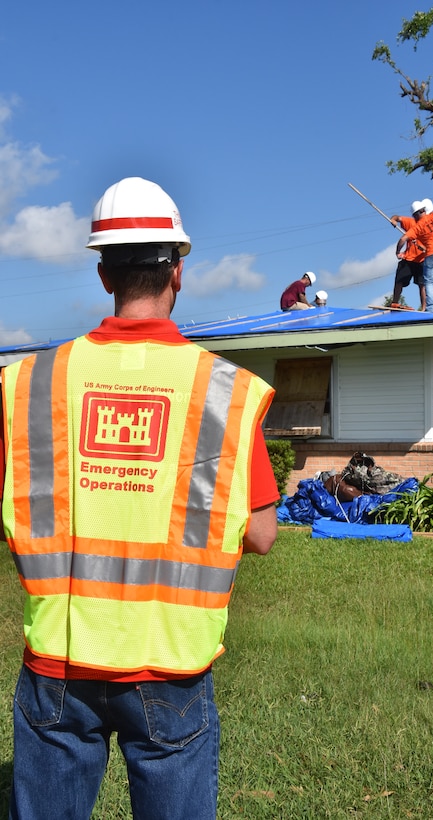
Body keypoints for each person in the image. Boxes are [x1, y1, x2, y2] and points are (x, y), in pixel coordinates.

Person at [2, 177, 279, 820]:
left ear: (104, 273)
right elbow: (262, 534)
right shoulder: (225, 393)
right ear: (178, 271)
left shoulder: (28, 385)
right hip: (171, 665)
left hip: (60, 663)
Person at [396, 199, 433, 313]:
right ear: (424, 210)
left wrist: (397, 252)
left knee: (429, 282)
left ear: (415, 215)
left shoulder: (417, 227)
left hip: (431, 254)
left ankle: (431, 309)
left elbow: (403, 239)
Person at [389, 199, 433, 311]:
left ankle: (424, 308)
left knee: (422, 284)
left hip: (422, 260)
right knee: (399, 279)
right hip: (409, 258)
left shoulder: (430, 227)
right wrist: (393, 220)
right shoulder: (411, 222)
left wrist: (423, 249)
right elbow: (397, 217)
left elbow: (432, 246)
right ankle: (395, 302)